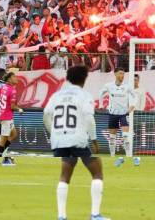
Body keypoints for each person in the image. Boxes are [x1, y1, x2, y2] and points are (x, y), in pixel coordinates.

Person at [44, 65, 110, 220]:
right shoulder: (84, 95)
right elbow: (89, 118)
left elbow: (46, 114)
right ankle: (95, 214)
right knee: (97, 172)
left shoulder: (56, 95)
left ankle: (61, 216)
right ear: (84, 78)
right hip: (77, 139)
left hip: (60, 139)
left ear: (68, 78)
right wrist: (94, 139)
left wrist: (53, 133)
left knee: (65, 175)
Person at [98, 70, 137, 167]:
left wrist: (132, 105)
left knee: (125, 136)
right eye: (120, 73)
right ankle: (112, 156)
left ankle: (128, 157)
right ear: (115, 74)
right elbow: (101, 93)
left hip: (123, 114)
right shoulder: (108, 85)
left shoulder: (127, 86)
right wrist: (101, 104)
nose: (122, 75)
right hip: (113, 114)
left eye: (123, 73)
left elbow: (135, 96)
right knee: (112, 138)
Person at [0, 70, 24, 166]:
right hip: (6, 117)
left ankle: (1, 152)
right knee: (4, 138)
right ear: (10, 79)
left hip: (2, 115)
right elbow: (12, 106)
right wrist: (19, 109)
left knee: (14, 134)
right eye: (14, 76)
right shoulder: (12, 90)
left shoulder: (3, 87)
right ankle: (1, 156)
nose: (16, 78)